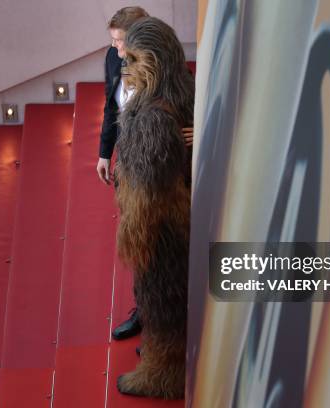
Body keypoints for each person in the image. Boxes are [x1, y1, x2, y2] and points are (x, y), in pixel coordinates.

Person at [114, 17, 194, 399]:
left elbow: (148, 193)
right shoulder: (170, 98)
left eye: (131, 59)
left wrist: (132, 233)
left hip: (160, 233)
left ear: (155, 61)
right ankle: (162, 357)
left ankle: (163, 375)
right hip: (169, 230)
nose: (123, 68)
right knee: (161, 302)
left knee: (162, 303)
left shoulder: (153, 119)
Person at [97, 6, 150, 342]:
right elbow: (111, 107)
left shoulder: (158, 63)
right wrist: (105, 152)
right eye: (113, 41)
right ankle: (144, 311)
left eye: (119, 42)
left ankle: (156, 317)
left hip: (155, 163)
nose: (115, 49)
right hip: (128, 163)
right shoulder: (113, 58)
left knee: (152, 241)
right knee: (135, 237)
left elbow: (182, 102)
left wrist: (191, 128)